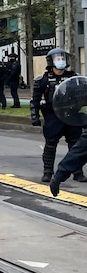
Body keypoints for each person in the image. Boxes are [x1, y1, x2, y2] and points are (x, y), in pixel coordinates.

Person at [31, 48, 85, 184]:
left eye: (62, 58)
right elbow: (35, 100)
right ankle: (48, 172)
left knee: (75, 144)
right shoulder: (43, 79)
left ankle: (77, 172)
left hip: (71, 115)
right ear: (51, 61)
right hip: (53, 116)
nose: (60, 61)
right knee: (50, 145)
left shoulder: (74, 77)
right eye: (57, 58)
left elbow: (83, 96)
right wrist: (34, 116)